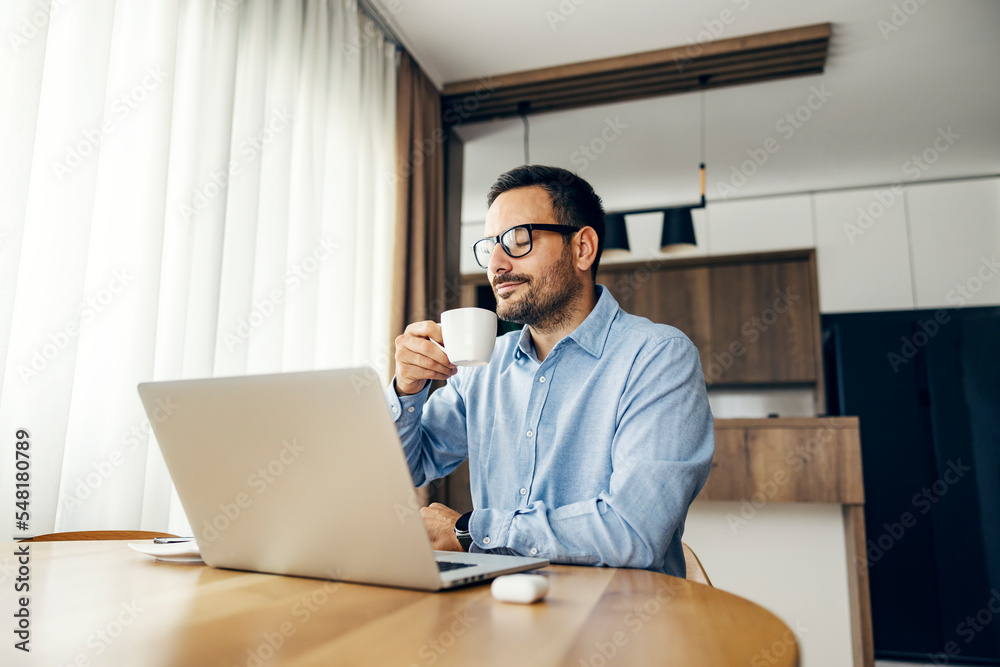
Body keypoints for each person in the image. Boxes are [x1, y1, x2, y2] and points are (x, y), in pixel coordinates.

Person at [385, 164, 714, 577]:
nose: (497, 265)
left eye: (518, 241)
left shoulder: (658, 357)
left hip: (617, 624)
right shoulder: (484, 367)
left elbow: (632, 530)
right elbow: (408, 467)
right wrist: (407, 389)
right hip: (494, 610)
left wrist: (469, 531)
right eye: (490, 246)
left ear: (582, 248)